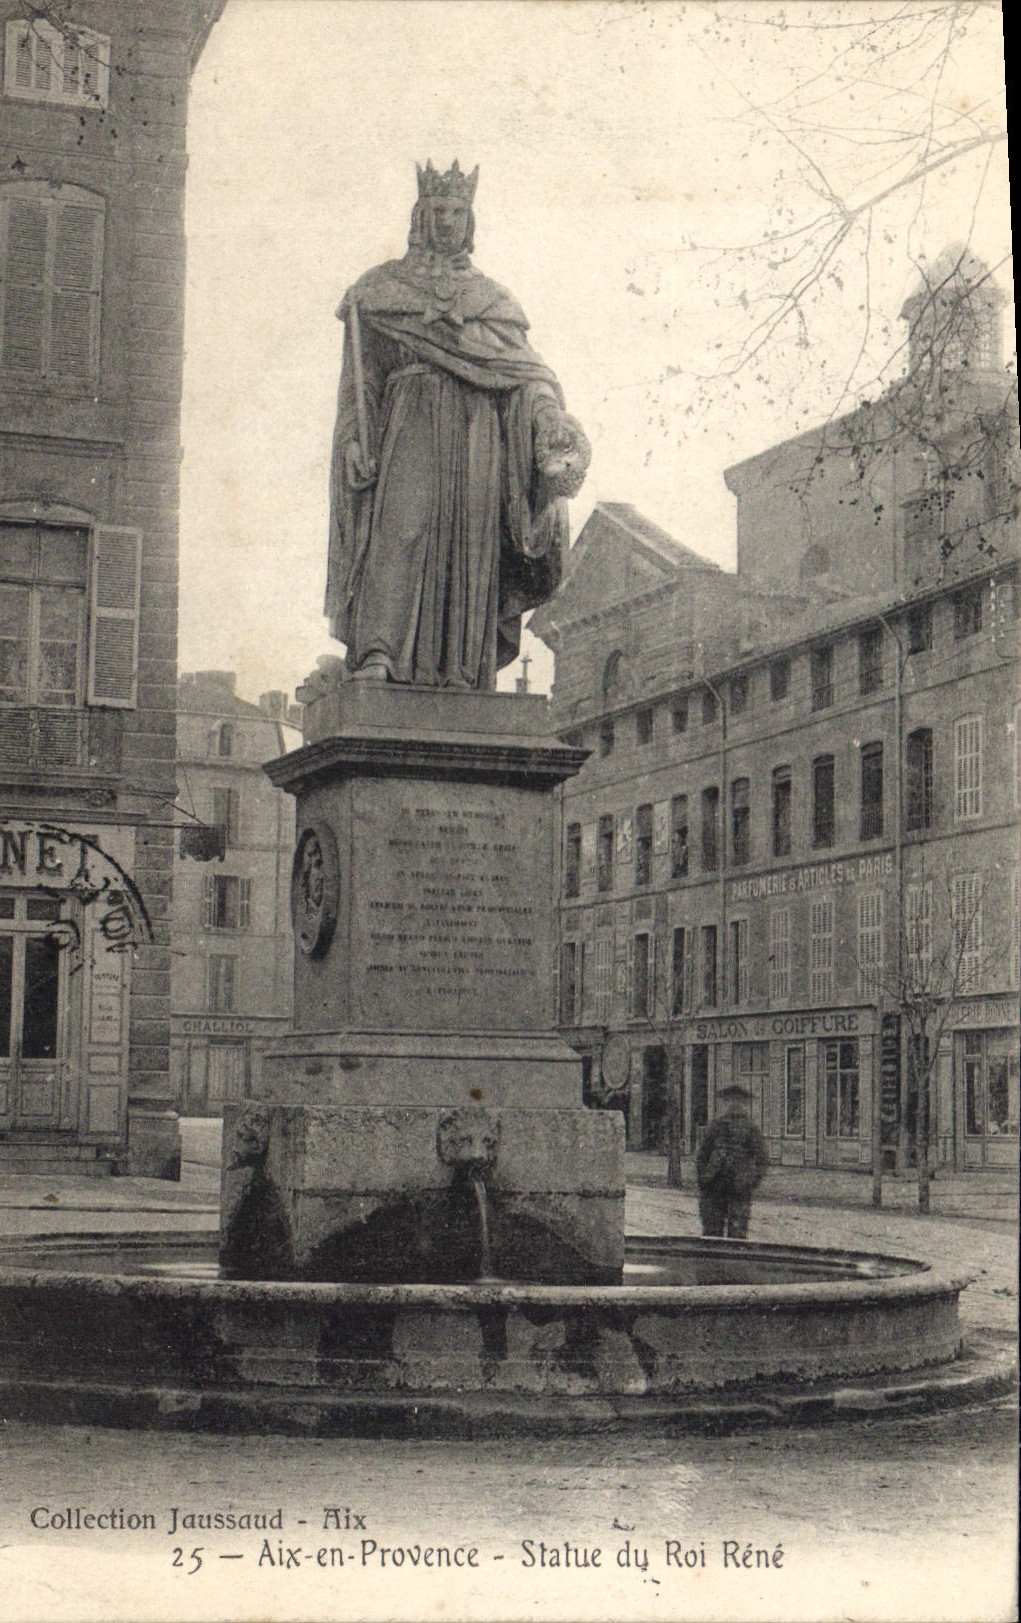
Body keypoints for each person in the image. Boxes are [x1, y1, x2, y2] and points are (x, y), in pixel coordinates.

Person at [325, 160, 590, 689]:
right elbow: (361, 383)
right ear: (419, 216)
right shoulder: (379, 292)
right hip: (410, 424)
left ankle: (463, 669)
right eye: (438, 211)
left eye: (456, 212)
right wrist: (354, 437)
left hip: (477, 435)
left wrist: (549, 418)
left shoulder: (492, 302)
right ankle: (379, 651)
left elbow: (527, 377)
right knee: (400, 529)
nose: (447, 222)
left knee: (471, 549)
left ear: (470, 221)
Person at [695, 1084, 769, 1239]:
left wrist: (750, 1181)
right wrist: (704, 1178)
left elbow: (762, 1160)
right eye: (730, 1100)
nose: (734, 1105)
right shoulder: (716, 1126)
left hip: (739, 1187)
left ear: (744, 1104)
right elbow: (702, 1155)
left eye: (738, 1101)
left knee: (737, 1234)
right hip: (714, 1185)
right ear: (725, 1103)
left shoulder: (750, 1129)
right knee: (712, 1232)